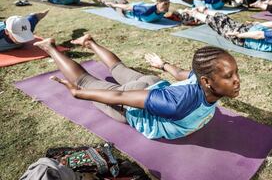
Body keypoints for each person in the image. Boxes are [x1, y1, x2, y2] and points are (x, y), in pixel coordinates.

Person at [34, 35, 240, 140]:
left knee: (119, 68)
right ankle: (49, 47)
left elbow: (179, 75)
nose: (237, 80)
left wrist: (162, 65)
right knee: (84, 81)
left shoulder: (205, 78)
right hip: (142, 105)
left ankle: (89, 42)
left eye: (235, 73)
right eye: (229, 76)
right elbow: (118, 96)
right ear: (206, 81)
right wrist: (80, 93)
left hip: (155, 84)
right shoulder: (177, 105)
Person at [186, 7, 272, 53]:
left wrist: (239, 34)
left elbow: (259, 35)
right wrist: (256, 23)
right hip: (250, 32)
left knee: (220, 23)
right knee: (224, 21)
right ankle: (200, 11)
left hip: (247, 37)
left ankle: (195, 13)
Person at [100, 0, 171, 23]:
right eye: (165, 4)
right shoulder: (146, 11)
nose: (167, 6)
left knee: (121, 0)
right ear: (158, 3)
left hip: (131, 5)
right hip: (123, 10)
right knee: (109, 3)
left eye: (168, 3)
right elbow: (127, 7)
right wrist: (113, 5)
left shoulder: (163, 10)